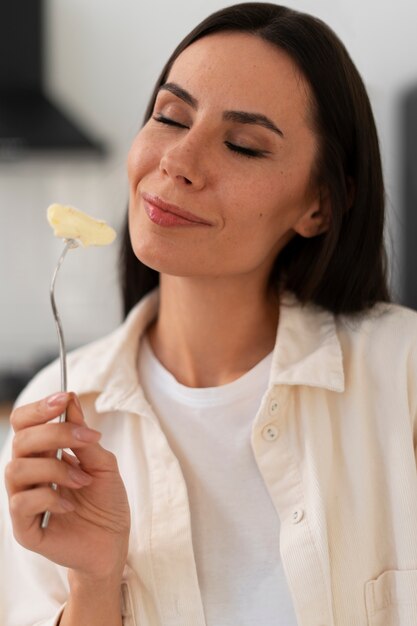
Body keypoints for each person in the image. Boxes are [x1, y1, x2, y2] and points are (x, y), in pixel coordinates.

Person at [1, 2, 417, 625]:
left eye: (244, 146)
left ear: (320, 206)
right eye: (170, 117)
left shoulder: (403, 375)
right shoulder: (59, 418)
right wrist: (94, 583)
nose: (178, 161)